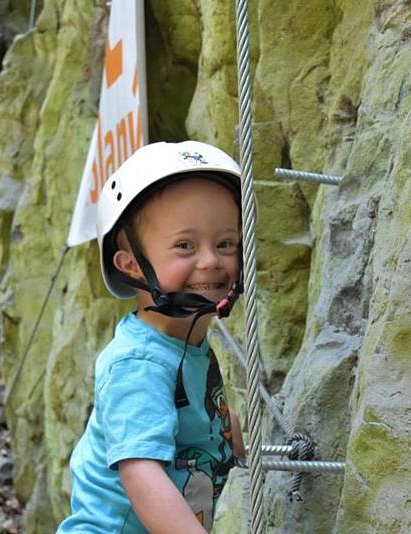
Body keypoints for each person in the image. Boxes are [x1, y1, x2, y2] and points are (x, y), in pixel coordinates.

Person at [58, 141, 247, 533]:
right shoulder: (138, 363)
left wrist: (257, 445)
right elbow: (141, 474)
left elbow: (209, 420)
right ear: (130, 265)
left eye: (225, 243)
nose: (211, 260)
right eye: (185, 246)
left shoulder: (188, 341)